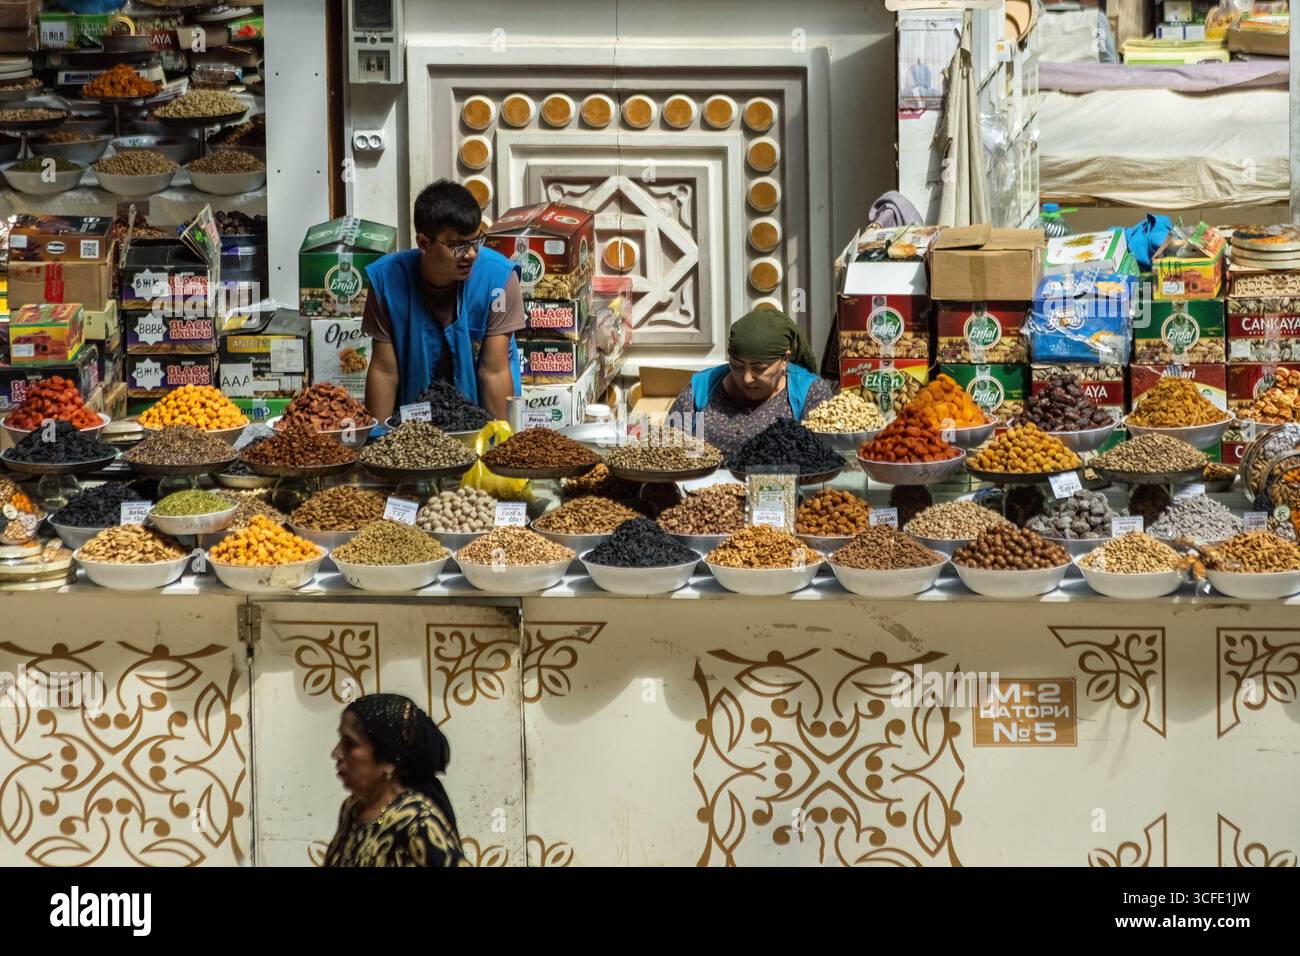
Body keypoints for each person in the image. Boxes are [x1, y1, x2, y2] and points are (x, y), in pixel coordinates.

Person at [363, 180, 525, 423]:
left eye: (475, 241)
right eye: (457, 246)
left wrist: (502, 446)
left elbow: (494, 371)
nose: (470, 254)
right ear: (423, 243)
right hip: (412, 426)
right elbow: (385, 371)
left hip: (480, 421)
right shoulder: (386, 281)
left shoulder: (498, 278)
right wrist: (376, 441)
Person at [325, 693, 469, 867]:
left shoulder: (416, 823)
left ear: (389, 762)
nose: (336, 754)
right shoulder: (351, 810)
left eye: (350, 744)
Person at [666, 306, 834, 455]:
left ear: (785, 359)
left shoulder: (810, 393)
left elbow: (820, 460)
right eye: (737, 366)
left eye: (759, 368)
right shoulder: (701, 387)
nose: (747, 378)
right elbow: (668, 447)